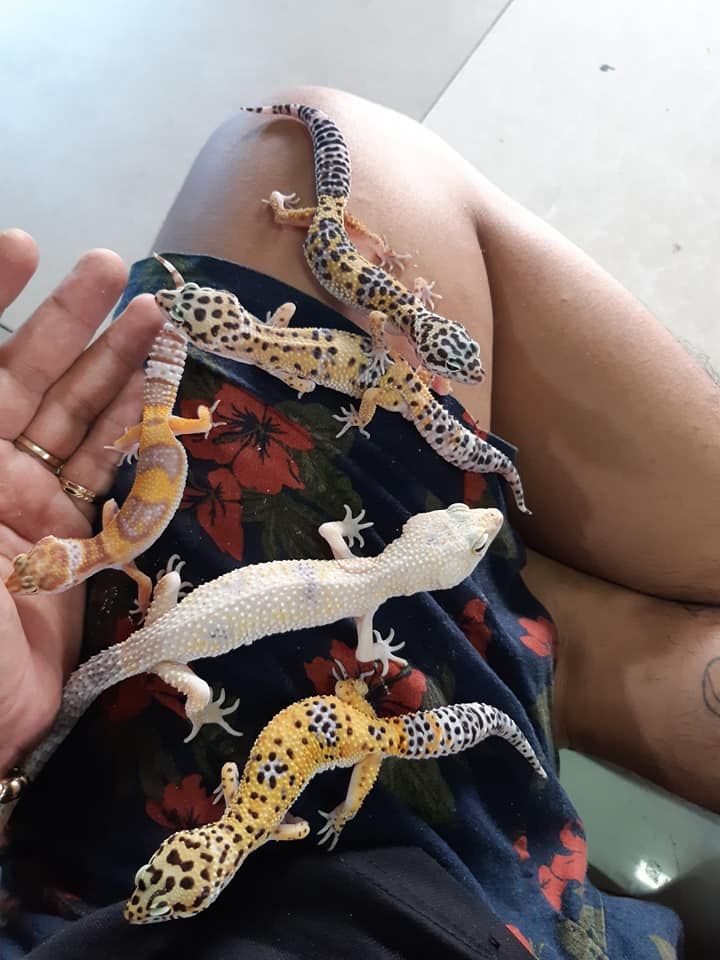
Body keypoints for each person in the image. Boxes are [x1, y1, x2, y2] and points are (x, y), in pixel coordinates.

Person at [0, 86, 717, 958]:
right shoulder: (368, 600)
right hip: (416, 885)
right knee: (301, 152)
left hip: (207, 689)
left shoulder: (374, 595)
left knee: (288, 147)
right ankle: (518, 579)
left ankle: (522, 588)